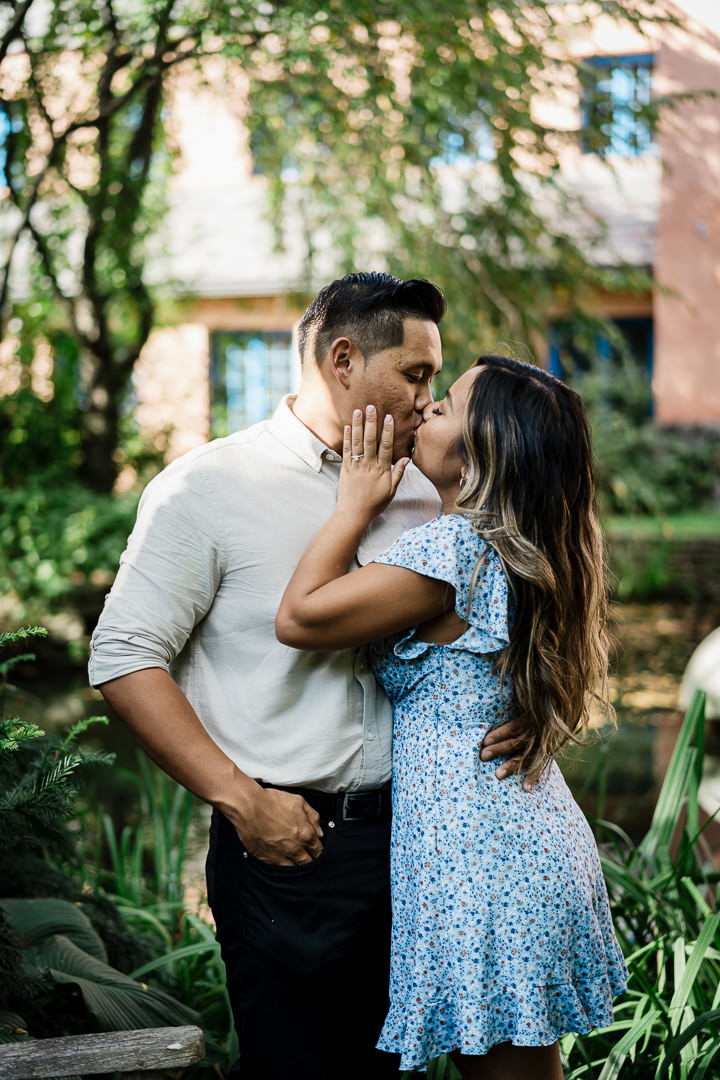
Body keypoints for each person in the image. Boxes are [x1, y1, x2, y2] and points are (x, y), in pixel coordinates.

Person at [88, 274, 529, 1080]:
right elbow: (123, 658)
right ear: (343, 358)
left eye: (437, 381)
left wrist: (538, 709)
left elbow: (523, 600)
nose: (428, 400)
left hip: (427, 841)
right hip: (289, 850)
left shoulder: (435, 490)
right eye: (417, 375)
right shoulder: (208, 488)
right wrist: (241, 799)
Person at [277, 355, 629, 1079]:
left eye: (445, 409)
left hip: (485, 862)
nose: (425, 407)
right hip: (507, 840)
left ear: (478, 461)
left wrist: (353, 505)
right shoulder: (523, 544)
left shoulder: (454, 549)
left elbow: (300, 618)